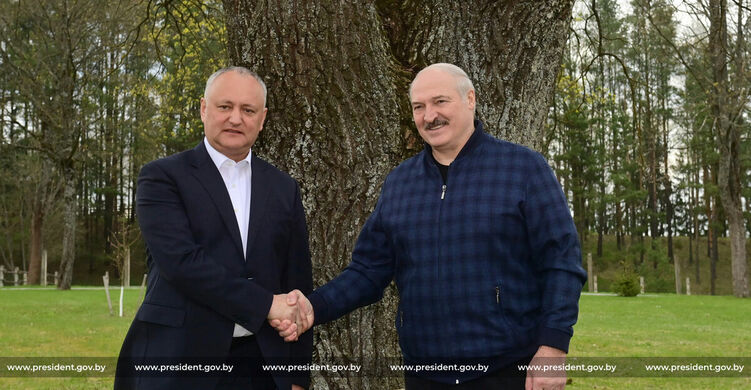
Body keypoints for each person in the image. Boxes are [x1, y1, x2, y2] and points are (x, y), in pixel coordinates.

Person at [275, 63, 586, 390]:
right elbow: (368, 271)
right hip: (425, 374)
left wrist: (553, 346)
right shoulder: (400, 182)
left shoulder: (522, 169)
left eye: (440, 102)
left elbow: (561, 262)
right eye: (418, 107)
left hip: (507, 370)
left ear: (470, 99)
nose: (429, 116)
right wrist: (313, 306)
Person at [115, 67, 313, 390]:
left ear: (262, 119)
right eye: (225, 106)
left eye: (248, 110)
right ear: (204, 109)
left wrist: (296, 377)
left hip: (262, 368)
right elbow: (182, 264)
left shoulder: (283, 188)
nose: (236, 118)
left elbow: (298, 282)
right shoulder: (162, 178)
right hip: (179, 363)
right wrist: (266, 305)